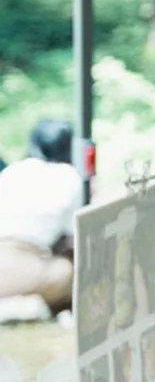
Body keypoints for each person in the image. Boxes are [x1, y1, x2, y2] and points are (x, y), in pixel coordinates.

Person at [0, 118, 84, 316]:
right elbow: (73, 238)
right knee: (69, 271)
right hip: (25, 263)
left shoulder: (14, 170)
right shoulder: (69, 176)